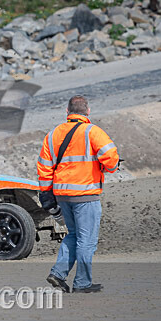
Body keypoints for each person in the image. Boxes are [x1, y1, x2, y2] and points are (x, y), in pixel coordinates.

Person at [38, 95, 120, 294]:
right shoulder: (93, 132)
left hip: (62, 195)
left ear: (67, 112)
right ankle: (82, 283)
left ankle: (58, 274)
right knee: (86, 240)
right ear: (88, 111)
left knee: (73, 235)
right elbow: (111, 159)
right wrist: (109, 167)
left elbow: (44, 167)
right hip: (85, 194)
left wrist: (47, 193)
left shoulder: (52, 135)